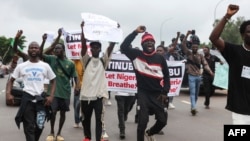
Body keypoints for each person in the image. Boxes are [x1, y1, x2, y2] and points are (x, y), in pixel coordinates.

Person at [120, 25, 170, 141]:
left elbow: (167, 76)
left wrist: (165, 92)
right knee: (142, 122)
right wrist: (135, 32)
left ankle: (150, 133)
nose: (149, 43)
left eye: (151, 41)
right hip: (143, 93)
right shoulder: (136, 55)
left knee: (163, 121)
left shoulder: (160, 58)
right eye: (146, 41)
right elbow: (124, 47)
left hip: (157, 94)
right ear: (142, 44)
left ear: (154, 44)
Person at [6, 41, 56, 141]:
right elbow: (11, 81)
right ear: (28, 50)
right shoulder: (22, 66)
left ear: (39, 50)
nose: (33, 49)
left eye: (36, 47)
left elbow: (53, 80)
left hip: (40, 100)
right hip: (27, 99)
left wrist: (51, 96)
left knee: (40, 126)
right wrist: (8, 93)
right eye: (31, 47)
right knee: (28, 127)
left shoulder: (45, 66)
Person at [209, 4, 250, 124]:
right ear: (243, 35)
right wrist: (227, 16)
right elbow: (214, 38)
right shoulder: (234, 51)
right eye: (249, 31)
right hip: (240, 111)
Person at [80, 21, 116, 141]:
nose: (95, 49)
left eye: (97, 47)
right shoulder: (86, 60)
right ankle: (87, 137)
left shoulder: (103, 61)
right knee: (85, 119)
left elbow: (110, 48)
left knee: (99, 120)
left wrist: (115, 33)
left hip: (99, 96)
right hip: (85, 96)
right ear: (91, 49)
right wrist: (83, 30)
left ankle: (98, 138)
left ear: (100, 49)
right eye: (93, 47)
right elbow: (83, 45)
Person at [42, 29, 78, 141]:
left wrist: (77, 86)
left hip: (65, 92)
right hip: (53, 93)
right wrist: (44, 42)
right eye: (55, 48)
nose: (56, 50)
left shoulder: (70, 63)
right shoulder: (52, 59)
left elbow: (75, 76)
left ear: (63, 50)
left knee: (63, 113)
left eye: (58, 48)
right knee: (53, 112)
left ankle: (59, 133)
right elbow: (41, 54)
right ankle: (51, 132)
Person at [181, 30, 214, 116]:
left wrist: (210, 72)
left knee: (196, 94)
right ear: (191, 47)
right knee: (192, 92)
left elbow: (205, 64)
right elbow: (183, 45)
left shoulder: (200, 56)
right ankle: (193, 107)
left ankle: (193, 106)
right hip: (191, 76)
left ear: (198, 47)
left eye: (196, 47)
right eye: (193, 47)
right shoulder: (189, 53)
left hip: (198, 76)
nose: (195, 48)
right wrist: (187, 35)